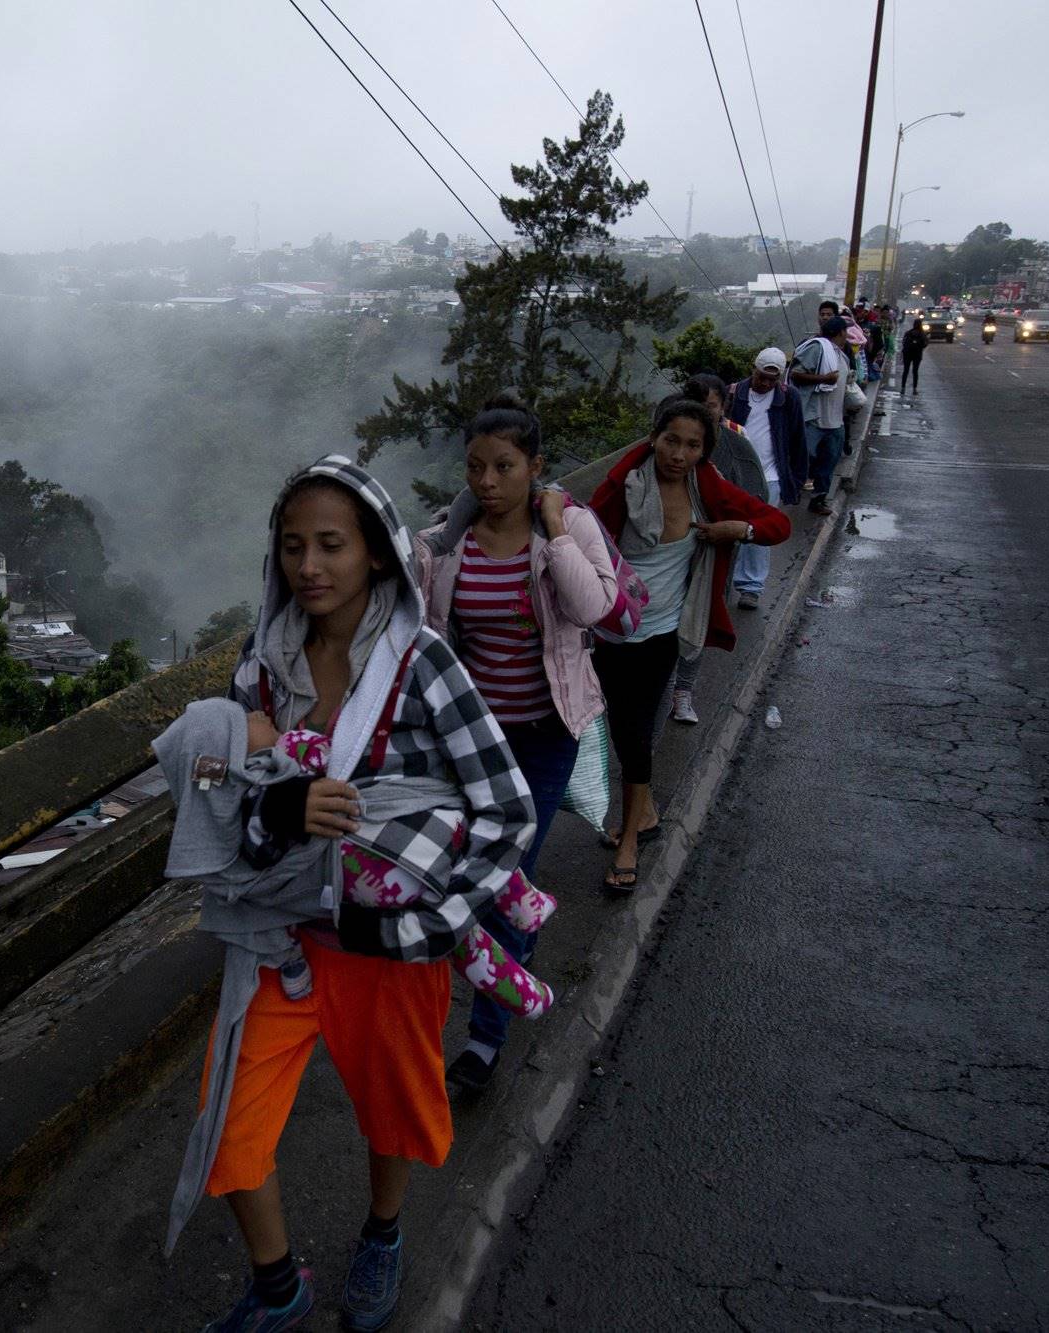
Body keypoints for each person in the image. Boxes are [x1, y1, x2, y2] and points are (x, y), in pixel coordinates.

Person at [187, 456, 535, 1333]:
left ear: (377, 553)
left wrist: (447, 918)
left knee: (391, 1107)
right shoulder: (263, 668)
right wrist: (280, 804)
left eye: (332, 545)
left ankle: (382, 1233)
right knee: (228, 1127)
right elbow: (231, 801)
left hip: (389, 945)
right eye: (294, 545)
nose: (310, 566)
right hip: (282, 943)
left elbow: (505, 803)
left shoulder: (423, 665)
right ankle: (279, 1287)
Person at [415, 391, 619, 1089]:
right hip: (471, 743)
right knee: (488, 880)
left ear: (535, 466)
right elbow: (422, 633)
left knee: (501, 875)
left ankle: (484, 1038)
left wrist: (557, 528)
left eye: (504, 466)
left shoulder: (571, 529)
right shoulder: (448, 542)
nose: (487, 482)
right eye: (475, 467)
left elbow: (596, 606)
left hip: (543, 736)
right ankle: (513, 962)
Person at [586, 401, 791, 890]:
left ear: (705, 451)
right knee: (623, 728)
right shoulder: (623, 488)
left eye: (692, 445)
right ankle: (648, 811)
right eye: (671, 440)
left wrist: (736, 529)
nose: (679, 454)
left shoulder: (708, 489)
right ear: (654, 437)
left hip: (664, 633)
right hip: (611, 632)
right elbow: (583, 537)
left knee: (635, 733)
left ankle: (631, 839)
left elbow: (777, 526)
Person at [666, 373, 765, 726]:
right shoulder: (670, 440)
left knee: (698, 619)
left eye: (710, 407)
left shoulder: (736, 439)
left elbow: (757, 497)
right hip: (668, 550)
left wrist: (733, 525)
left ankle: (683, 693)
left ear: (723, 406)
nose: (703, 415)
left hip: (712, 549)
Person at [724, 348, 807, 615]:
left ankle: (751, 587)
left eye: (772, 380)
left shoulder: (787, 397)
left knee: (759, 532)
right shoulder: (735, 393)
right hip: (736, 474)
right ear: (753, 369)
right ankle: (724, 584)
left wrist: (795, 478)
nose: (766, 384)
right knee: (730, 529)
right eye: (762, 377)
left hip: (770, 475)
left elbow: (797, 438)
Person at [790, 314, 852, 517]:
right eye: (846, 332)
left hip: (835, 420)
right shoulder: (817, 348)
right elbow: (796, 374)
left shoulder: (840, 354)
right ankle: (792, 491)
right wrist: (825, 378)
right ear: (841, 332)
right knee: (804, 458)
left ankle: (818, 499)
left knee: (828, 463)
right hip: (814, 418)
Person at [900, 319, 927, 394]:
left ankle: (903, 388)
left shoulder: (908, 333)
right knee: (915, 372)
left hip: (907, 354)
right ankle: (914, 389)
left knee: (905, 371)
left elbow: (904, 343)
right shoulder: (922, 334)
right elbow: (925, 344)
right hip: (917, 354)